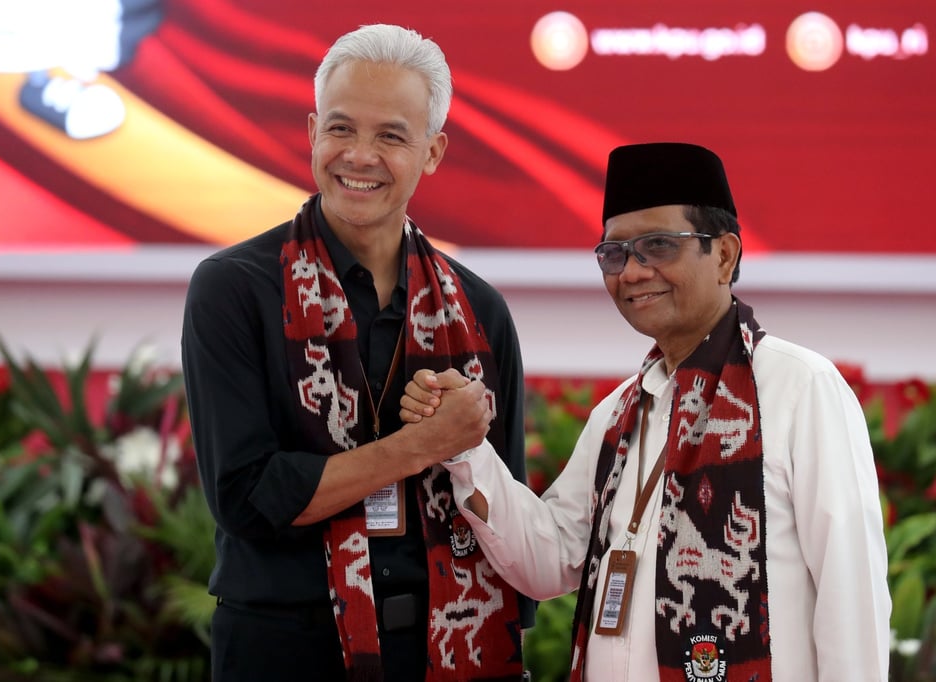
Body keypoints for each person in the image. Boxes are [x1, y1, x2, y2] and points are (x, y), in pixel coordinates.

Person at [401, 142, 892, 680]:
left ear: (724, 255)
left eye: (658, 246)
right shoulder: (619, 413)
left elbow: (853, 595)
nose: (632, 272)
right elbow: (549, 558)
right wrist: (465, 446)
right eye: (615, 254)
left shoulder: (800, 388)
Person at [181, 23, 533, 682]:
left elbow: (505, 523)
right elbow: (250, 497)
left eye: (392, 136)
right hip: (283, 649)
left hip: (448, 648)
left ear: (432, 152)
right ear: (313, 132)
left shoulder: (479, 312)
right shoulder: (234, 289)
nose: (360, 155)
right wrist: (422, 445)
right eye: (341, 129)